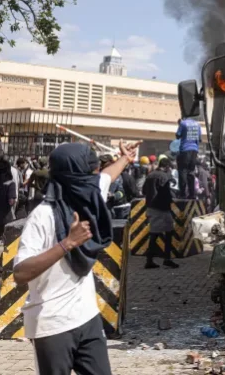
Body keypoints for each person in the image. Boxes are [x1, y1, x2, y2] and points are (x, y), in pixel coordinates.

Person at [13, 141, 138, 375]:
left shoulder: (87, 196)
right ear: (75, 176)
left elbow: (106, 177)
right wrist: (67, 244)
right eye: (89, 171)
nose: (94, 176)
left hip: (87, 318)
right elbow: (20, 273)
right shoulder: (43, 216)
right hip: (52, 325)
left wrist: (125, 158)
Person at [142, 157, 178, 269]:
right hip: (161, 209)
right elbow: (166, 192)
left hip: (151, 207)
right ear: (167, 166)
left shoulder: (150, 175)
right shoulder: (164, 176)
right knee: (167, 233)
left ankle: (151, 260)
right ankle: (164, 259)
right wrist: (172, 200)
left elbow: (143, 191)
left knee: (156, 233)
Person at [176, 116, 201, 199]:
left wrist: (179, 125)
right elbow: (199, 139)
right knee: (191, 172)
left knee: (182, 171)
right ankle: (192, 194)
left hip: (185, 150)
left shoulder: (183, 123)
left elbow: (177, 135)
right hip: (194, 150)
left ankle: (182, 193)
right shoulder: (198, 124)